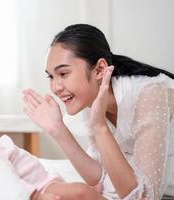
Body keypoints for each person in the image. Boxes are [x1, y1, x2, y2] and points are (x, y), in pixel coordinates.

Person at [22, 23, 174, 200]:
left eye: (63, 74)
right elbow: (98, 176)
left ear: (100, 69)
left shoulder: (150, 94)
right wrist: (58, 130)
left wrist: (99, 127)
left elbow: (144, 198)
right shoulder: (93, 97)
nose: (55, 87)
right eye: (51, 76)